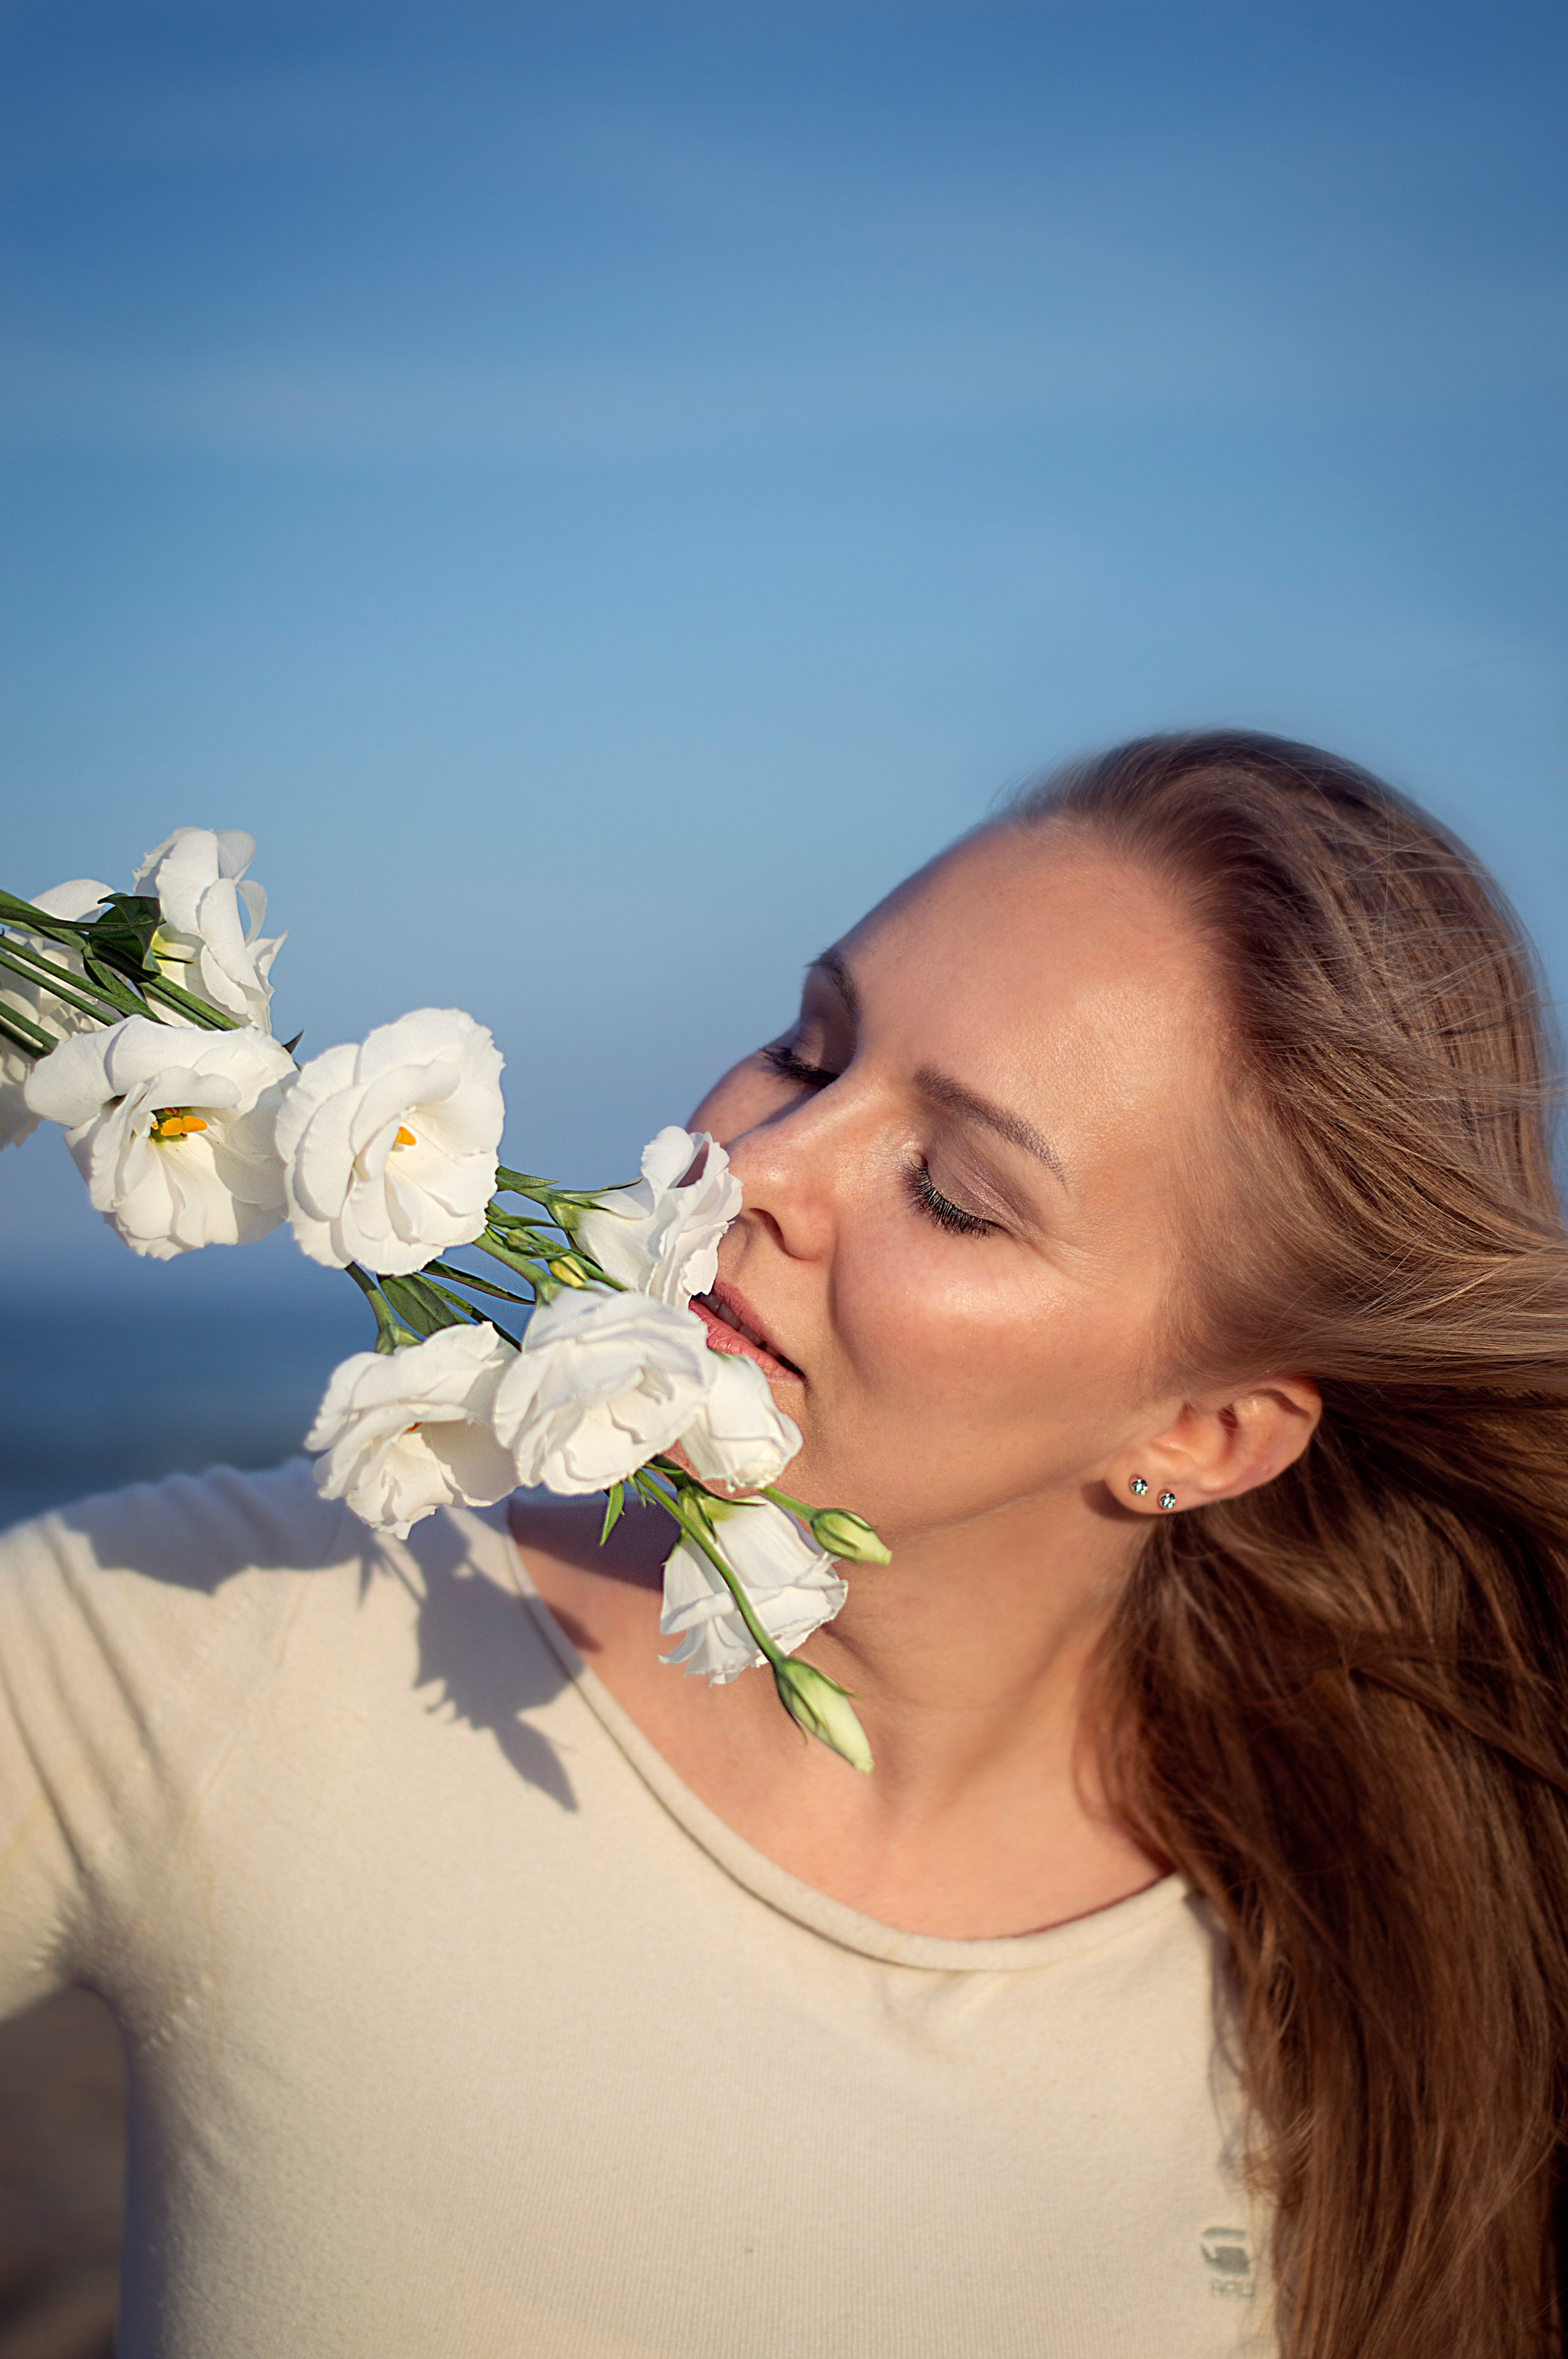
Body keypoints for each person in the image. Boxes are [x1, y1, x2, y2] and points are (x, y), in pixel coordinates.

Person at [2, 730, 1564, 2359]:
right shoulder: (248, 1630)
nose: (751, 1169)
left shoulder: (1364, 2004)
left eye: (955, 1193)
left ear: (1205, 1433)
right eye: (809, 1049)